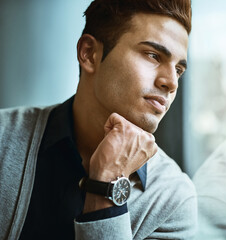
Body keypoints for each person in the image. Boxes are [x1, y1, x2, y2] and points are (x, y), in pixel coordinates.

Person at [0, 0, 196, 239]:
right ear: (89, 54)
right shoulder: (3, 138)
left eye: (178, 70)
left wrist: (107, 184)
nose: (171, 83)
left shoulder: (173, 198)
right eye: (153, 55)